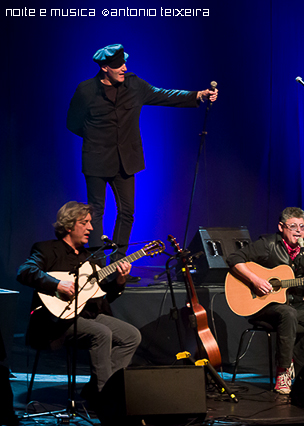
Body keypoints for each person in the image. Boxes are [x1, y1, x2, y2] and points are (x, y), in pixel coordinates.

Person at [66, 44, 218, 279]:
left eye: (124, 63)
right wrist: (98, 139)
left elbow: (163, 94)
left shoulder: (134, 84)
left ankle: (117, 268)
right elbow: (73, 123)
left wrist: (197, 95)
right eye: (118, 65)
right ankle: (96, 270)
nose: (124, 68)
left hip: (126, 161)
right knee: (95, 213)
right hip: (96, 160)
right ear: (105, 68)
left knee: (127, 212)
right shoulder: (86, 90)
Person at [17, 201, 141, 398]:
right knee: (101, 333)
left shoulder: (91, 258)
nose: (91, 228)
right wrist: (57, 284)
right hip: (55, 321)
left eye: (90, 223)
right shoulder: (47, 249)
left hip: (87, 314)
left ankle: (102, 388)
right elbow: (25, 272)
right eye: (85, 223)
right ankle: (104, 398)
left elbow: (104, 293)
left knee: (131, 335)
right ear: (69, 225)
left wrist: (120, 279)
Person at [226, 207, 304, 395]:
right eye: (293, 226)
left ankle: (291, 365)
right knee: (288, 314)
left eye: (302, 227)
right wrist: (255, 280)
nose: (299, 231)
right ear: (281, 227)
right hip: (262, 305)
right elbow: (234, 258)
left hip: (293, 303)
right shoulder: (268, 244)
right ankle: (282, 374)